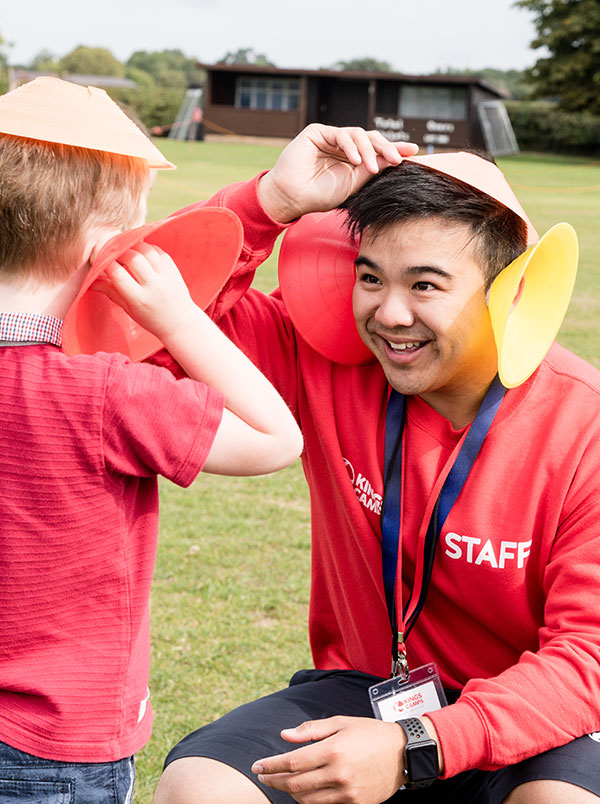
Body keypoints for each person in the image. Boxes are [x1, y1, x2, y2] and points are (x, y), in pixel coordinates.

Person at [153, 123, 600, 804]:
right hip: (369, 691)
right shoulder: (325, 360)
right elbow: (144, 328)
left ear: (508, 289)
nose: (389, 314)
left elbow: (586, 658)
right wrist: (267, 200)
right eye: (370, 277)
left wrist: (420, 746)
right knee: (199, 788)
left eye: (425, 285)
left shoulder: (584, 424)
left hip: (532, 717)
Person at [0, 76, 302, 804]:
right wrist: (179, 322)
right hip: (58, 748)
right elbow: (275, 438)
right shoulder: (106, 393)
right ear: (110, 250)